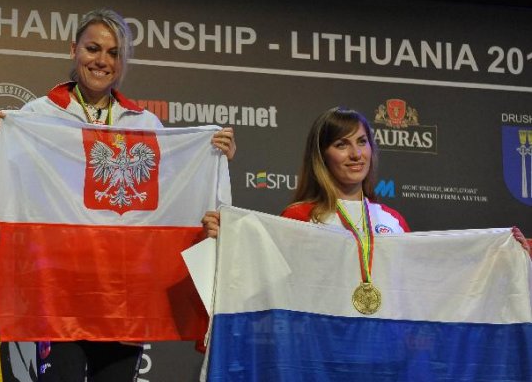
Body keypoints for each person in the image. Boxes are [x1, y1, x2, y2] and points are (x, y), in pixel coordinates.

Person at [0, 8, 235, 382]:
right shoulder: (36, 118)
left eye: (114, 52)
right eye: (93, 48)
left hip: (124, 298)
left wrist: (212, 155)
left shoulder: (145, 123)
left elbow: (172, 195)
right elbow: (7, 190)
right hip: (61, 294)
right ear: (74, 52)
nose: (102, 60)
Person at [201, 106, 530, 256]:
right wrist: (227, 240)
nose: (355, 154)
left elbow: (423, 279)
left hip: (383, 354)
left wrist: (500, 255)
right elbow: (266, 278)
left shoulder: (393, 220)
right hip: (324, 354)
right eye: (341, 144)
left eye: (362, 142)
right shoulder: (300, 216)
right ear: (322, 155)